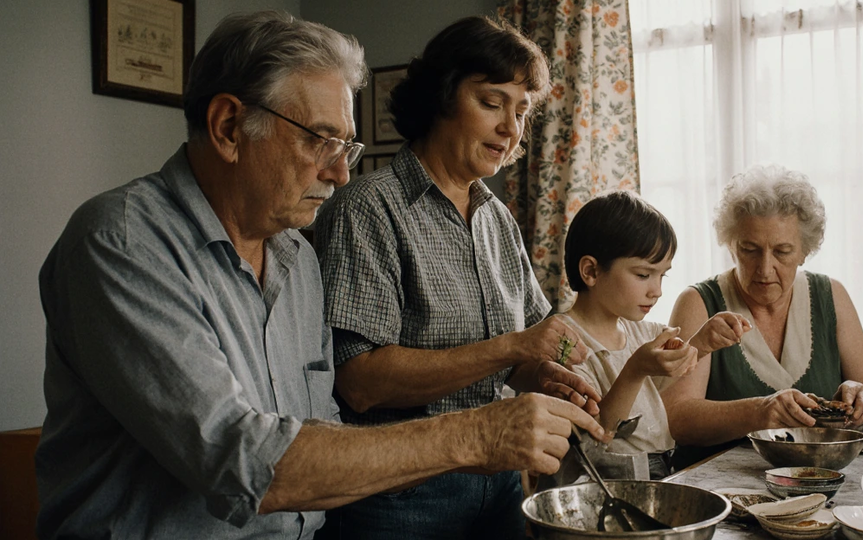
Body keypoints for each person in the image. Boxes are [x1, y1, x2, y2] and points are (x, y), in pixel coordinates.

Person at [35, 11, 603, 540]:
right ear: (229, 126)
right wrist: (479, 434)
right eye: (320, 140)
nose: (339, 173)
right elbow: (244, 461)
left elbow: (327, 432)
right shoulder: (123, 241)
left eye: (346, 147)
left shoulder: (296, 258)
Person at [313, 16, 601, 540]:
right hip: (401, 495)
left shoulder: (497, 219)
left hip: (499, 480)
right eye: (492, 103)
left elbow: (520, 359)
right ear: (441, 97)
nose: (510, 128)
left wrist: (547, 377)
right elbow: (360, 382)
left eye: (522, 111)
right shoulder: (368, 208)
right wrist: (513, 347)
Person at [664, 164, 863, 468]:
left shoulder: (831, 296)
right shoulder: (698, 302)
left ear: (805, 251)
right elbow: (676, 418)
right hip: (719, 483)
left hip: (817, 477)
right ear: (730, 245)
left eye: (782, 252)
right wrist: (759, 412)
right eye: (749, 250)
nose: (764, 268)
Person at [553, 190, 752, 480]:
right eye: (644, 275)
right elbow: (595, 433)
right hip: (600, 485)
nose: (656, 291)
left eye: (662, 275)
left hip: (658, 471)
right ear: (591, 271)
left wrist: (702, 342)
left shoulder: (641, 331)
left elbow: (660, 379)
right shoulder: (562, 342)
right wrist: (635, 370)